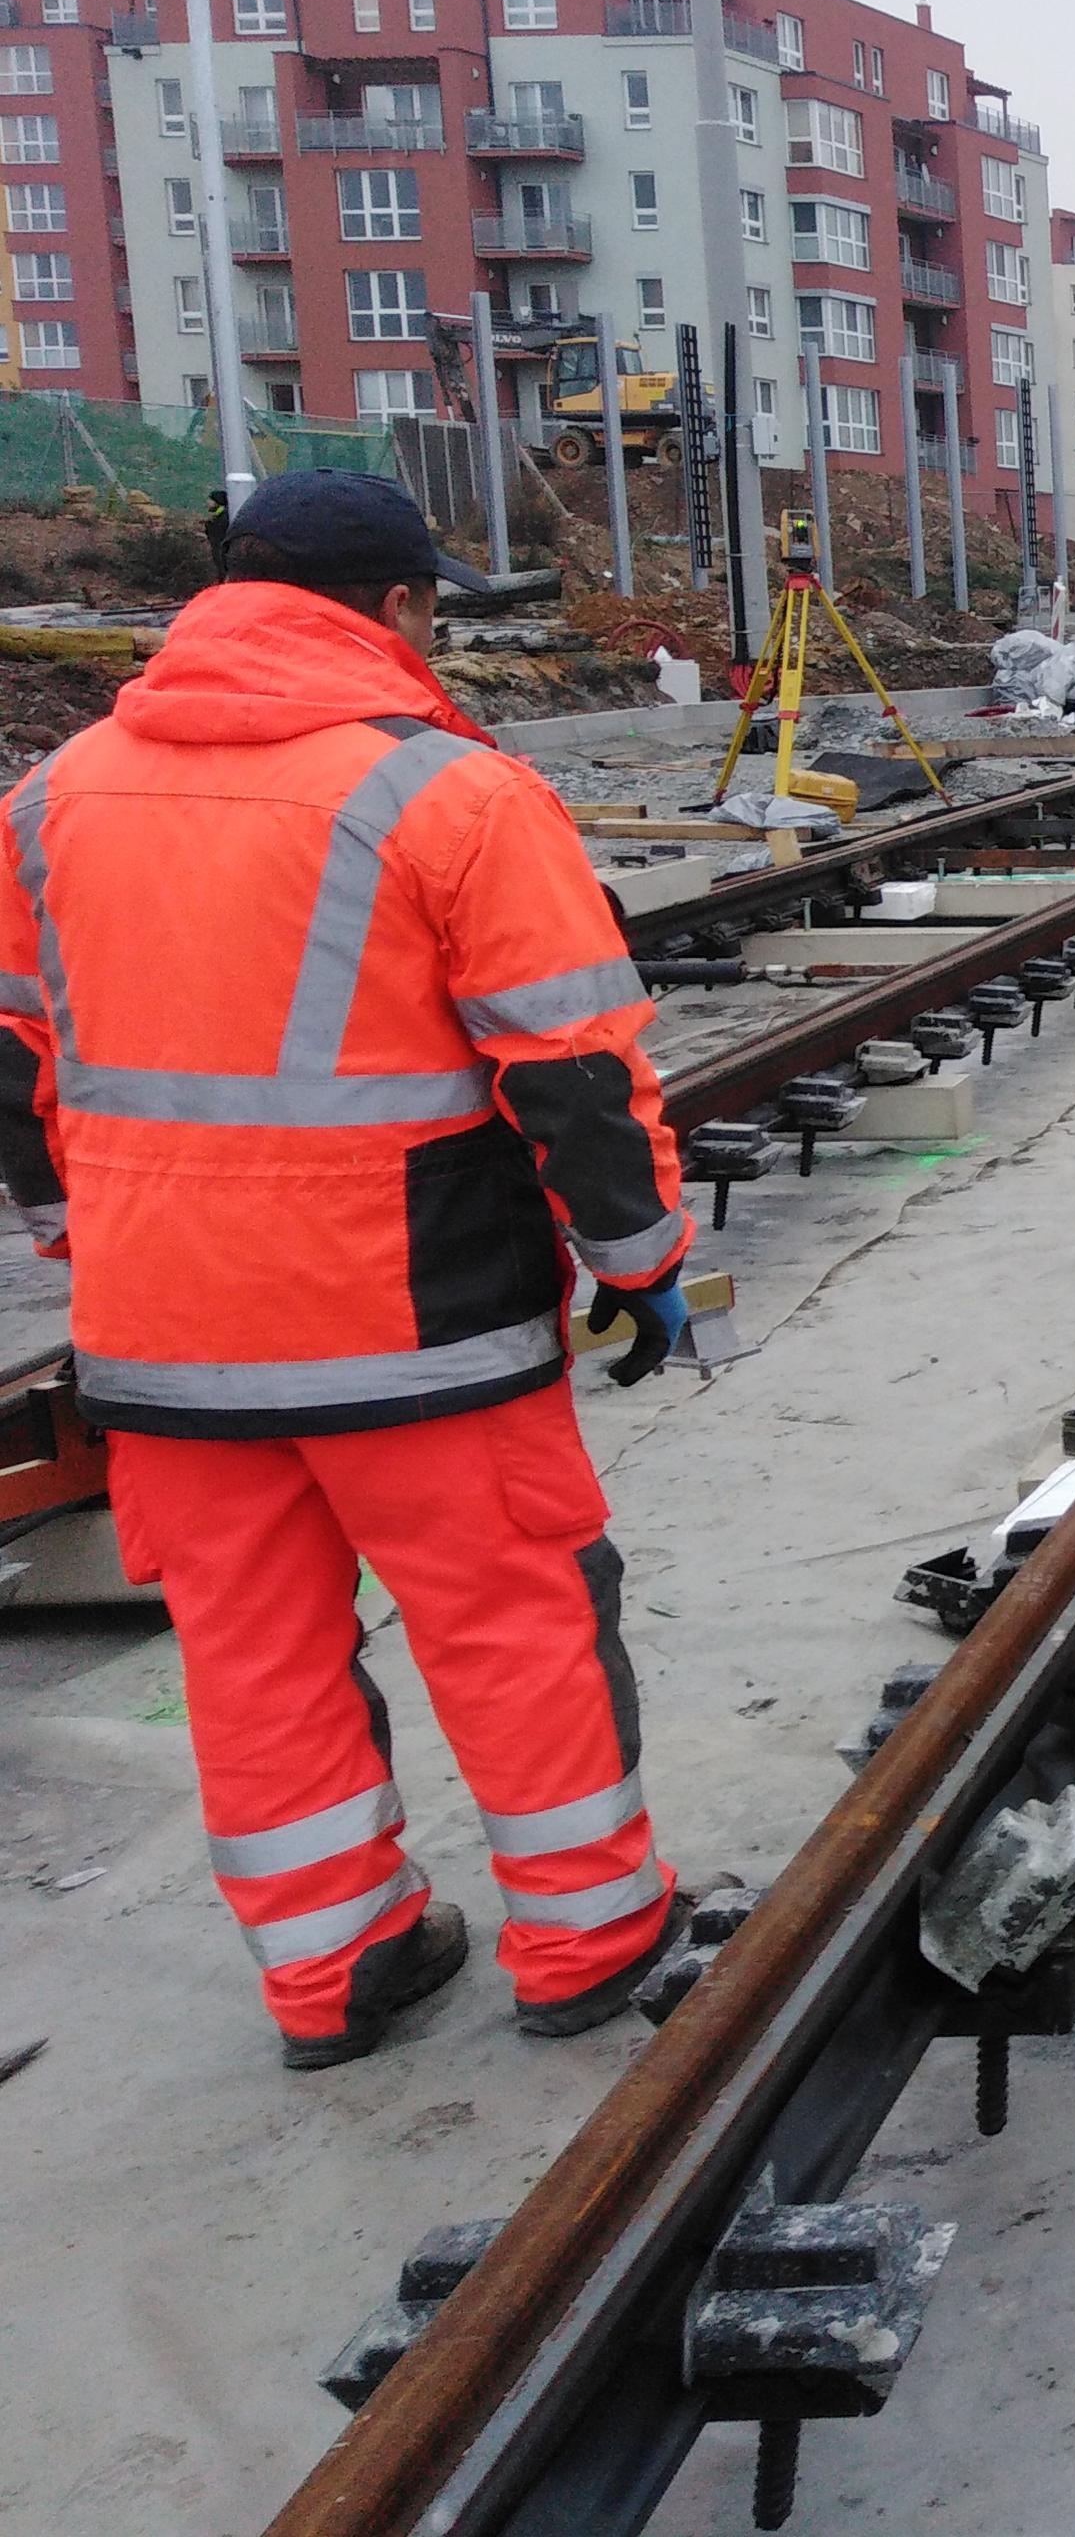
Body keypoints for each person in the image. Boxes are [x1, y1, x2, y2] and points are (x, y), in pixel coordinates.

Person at [0, 474, 696, 2069]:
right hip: (414, 1323)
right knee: (510, 1621)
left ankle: (336, 1973)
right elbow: (572, 1069)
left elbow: (14, 1054)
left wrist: (81, 1235)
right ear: (394, 609)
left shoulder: (53, 797)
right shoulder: (449, 793)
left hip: (162, 1339)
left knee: (253, 1657)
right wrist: (639, 1259)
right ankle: (587, 1937)